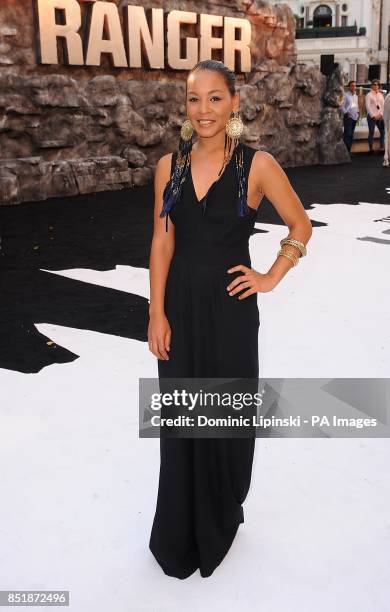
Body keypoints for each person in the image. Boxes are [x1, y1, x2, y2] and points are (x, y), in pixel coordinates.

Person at [147, 59, 313, 579]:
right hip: (179, 309)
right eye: (195, 99)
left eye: (215, 98)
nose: (204, 110)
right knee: (179, 418)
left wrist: (269, 276)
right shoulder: (167, 166)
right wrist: (155, 312)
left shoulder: (255, 164)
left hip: (231, 312)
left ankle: (220, 515)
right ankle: (179, 530)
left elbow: (300, 224)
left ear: (234, 102)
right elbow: (162, 240)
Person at [365, 79, 385, 153]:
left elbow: (383, 106)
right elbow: (368, 106)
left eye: (377, 85)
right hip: (371, 117)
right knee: (371, 132)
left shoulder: (381, 95)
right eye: (374, 85)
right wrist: (373, 116)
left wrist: (381, 114)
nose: (376, 86)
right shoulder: (368, 95)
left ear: (379, 86)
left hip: (380, 117)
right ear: (372, 86)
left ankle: (382, 148)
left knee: (383, 132)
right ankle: (371, 149)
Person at [340, 80, 359, 152]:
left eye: (355, 86)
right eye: (352, 86)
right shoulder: (345, 95)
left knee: (351, 135)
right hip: (348, 117)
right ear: (349, 87)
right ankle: (345, 152)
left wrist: (358, 112)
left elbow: (356, 105)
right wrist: (346, 113)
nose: (354, 87)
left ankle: (349, 151)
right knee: (347, 135)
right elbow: (341, 106)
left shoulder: (356, 96)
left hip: (354, 117)